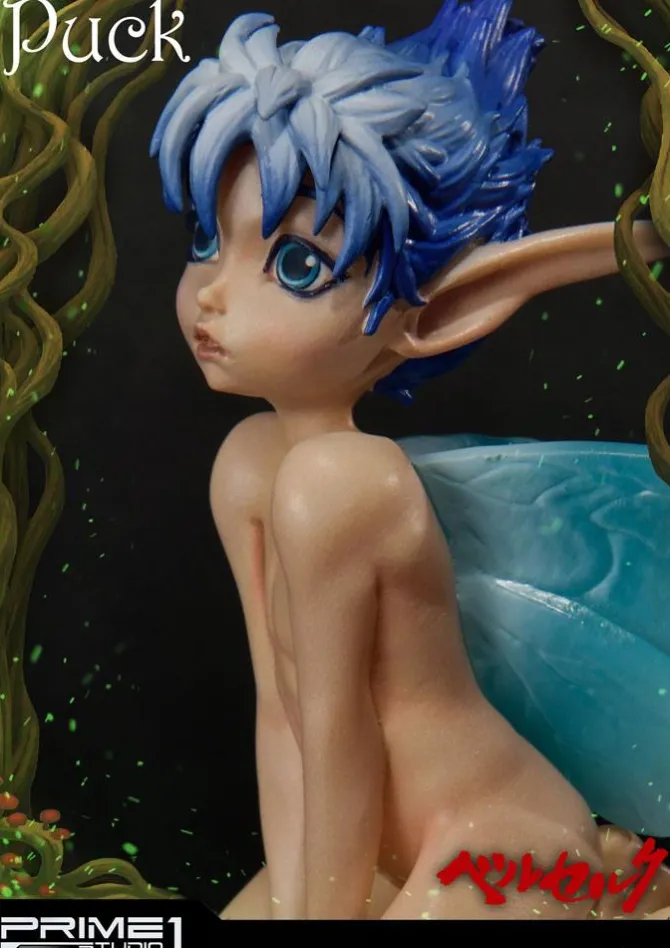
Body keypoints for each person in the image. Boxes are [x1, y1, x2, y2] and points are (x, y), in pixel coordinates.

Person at [151, 2, 670, 919]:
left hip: (496, 841)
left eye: (296, 266)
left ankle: (607, 880)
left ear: (428, 315)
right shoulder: (249, 464)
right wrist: (305, 899)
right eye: (206, 241)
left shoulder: (346, 483)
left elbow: (342, 733)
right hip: (376, 847)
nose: (211, 297)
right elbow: (283, 713)